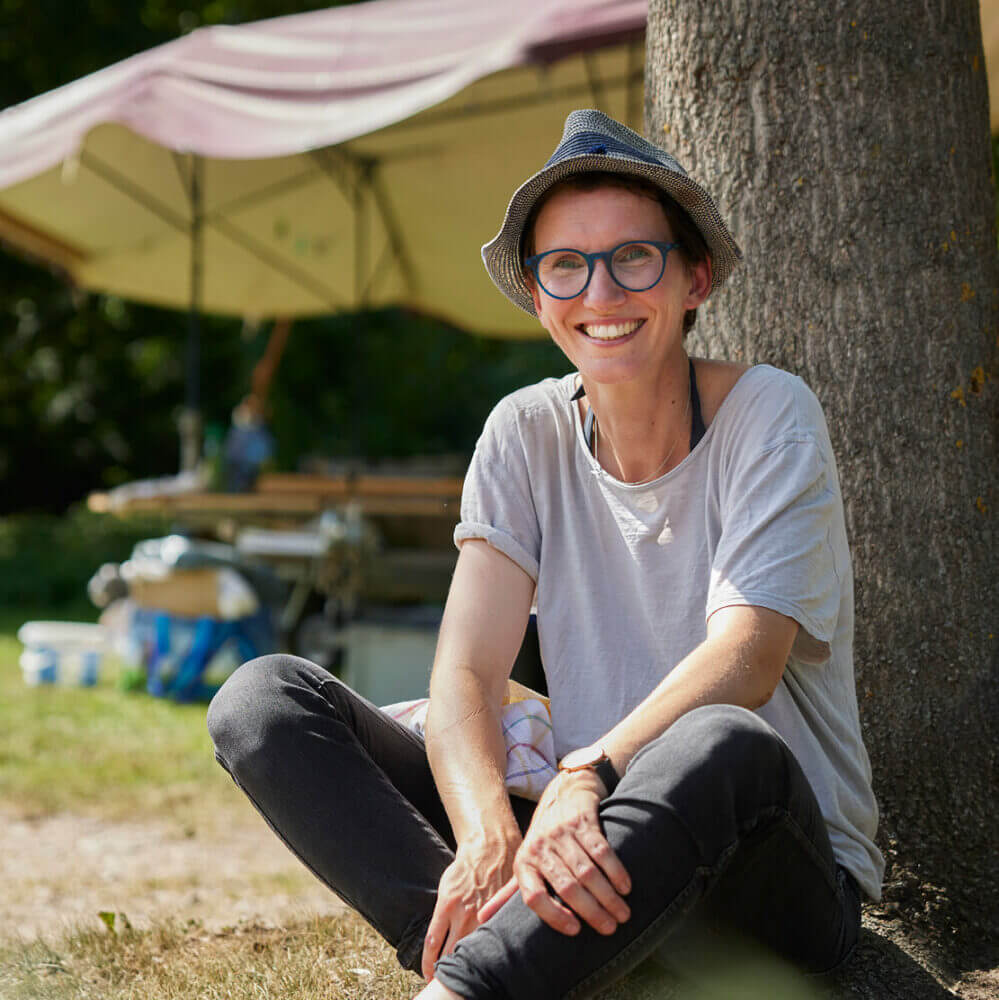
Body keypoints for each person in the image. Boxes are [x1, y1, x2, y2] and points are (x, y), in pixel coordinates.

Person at [206, 109, 884, 999]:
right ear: (536, 294)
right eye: (565, 265)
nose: (599, 293)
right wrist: (488, 832)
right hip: (582, 844)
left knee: (722, 740)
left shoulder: (769, 412)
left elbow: (748, 655)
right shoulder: (523, 430)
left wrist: (588, 771)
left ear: (695, 279)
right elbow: (466, 672)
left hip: (758, 868)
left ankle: (472, 987)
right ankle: (515, 950)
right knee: (263, 702)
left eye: (633, 257)